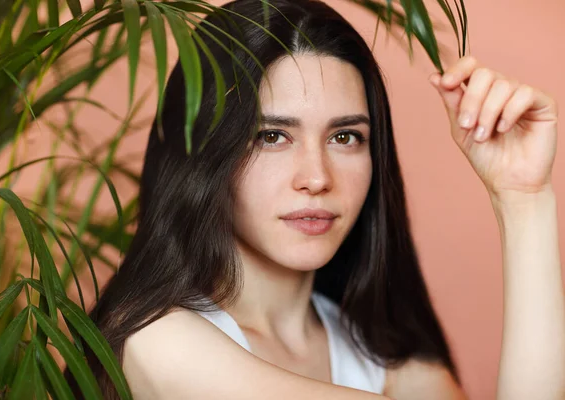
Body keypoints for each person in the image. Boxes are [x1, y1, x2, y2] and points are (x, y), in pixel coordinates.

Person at [66, 0, 564, 398]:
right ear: (204, 152)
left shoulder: (374, 355)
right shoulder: (155, 341)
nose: (317, 178)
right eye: (272, 137)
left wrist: (523, 197)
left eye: (344, 137)